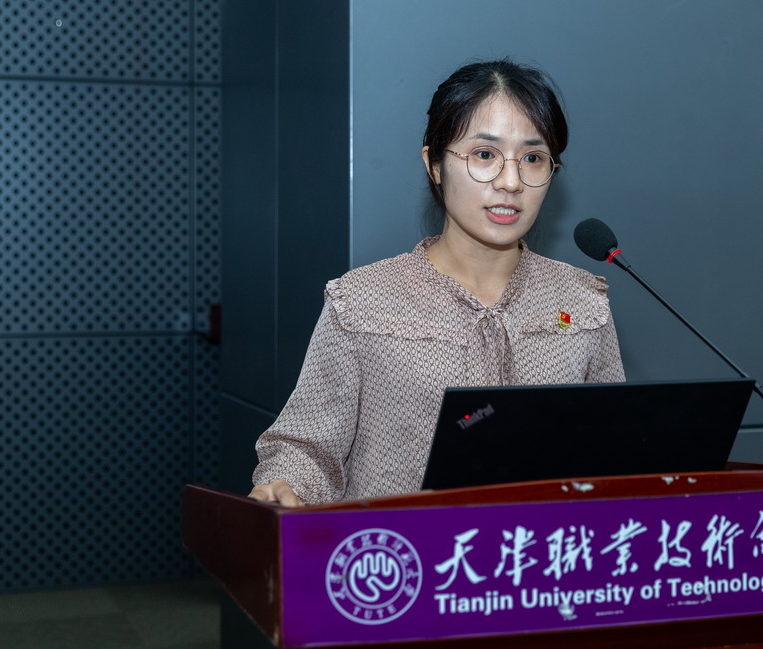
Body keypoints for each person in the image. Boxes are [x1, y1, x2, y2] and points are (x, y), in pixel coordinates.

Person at [249, 58, 625, 506]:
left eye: (532, 158)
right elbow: (306, 450)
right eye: (484, 155)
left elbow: (613, 452)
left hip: (539, 548)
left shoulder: (581, 303)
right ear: (435, 164)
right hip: (404, 548)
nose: (510, 182)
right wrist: (286, 485)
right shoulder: (362, 302)